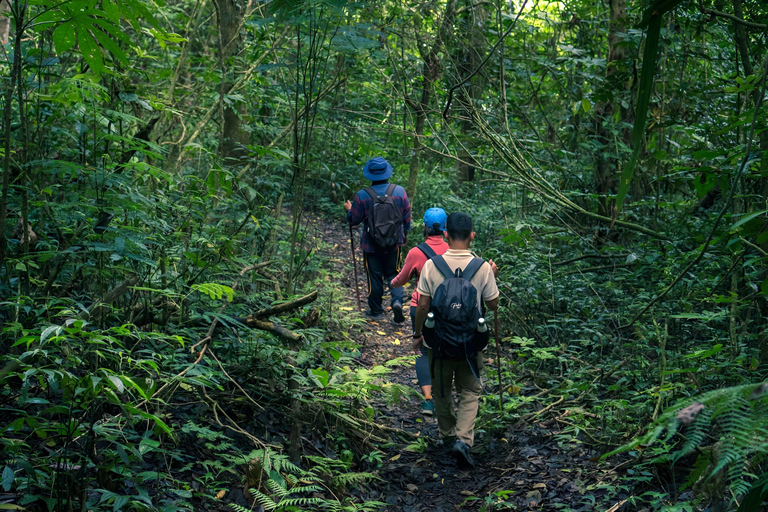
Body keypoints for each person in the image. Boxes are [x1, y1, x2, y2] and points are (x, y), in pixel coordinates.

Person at [412, 212, 499, 467]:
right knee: (470, 390)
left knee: (441, 391)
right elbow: (493, 305)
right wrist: (492, 275)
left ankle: (448, 437)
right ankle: (463, 439)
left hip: (439, 344)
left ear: (446, 234)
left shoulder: (432, 265)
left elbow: (422, 304)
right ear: (472, 235)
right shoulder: (483, 267)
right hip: (471, 344)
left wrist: (418, 334)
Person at [390, 208, 449, 416]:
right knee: (443, 349)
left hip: (420, 307)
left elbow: (403, 278)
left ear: (425, 227)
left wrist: (392, 283)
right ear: (445, 229)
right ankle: (444, 397)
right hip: (447, 308)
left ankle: (428, 400)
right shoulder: (452, 250)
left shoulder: (416, 252)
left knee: (422, 351)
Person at [344, 157, 411, 322]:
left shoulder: (362, 196)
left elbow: (354, 220)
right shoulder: (400, 192)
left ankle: (376, 311)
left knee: (374, 276)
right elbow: (406, 217)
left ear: (370, 174)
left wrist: (349, 210)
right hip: (394, 243)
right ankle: (397, 302)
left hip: (371, 245)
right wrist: (405, 235)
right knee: (393, 273)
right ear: (387, 172)